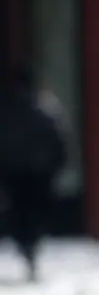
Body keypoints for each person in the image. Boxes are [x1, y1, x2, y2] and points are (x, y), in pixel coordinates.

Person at [0, 68, 67, 283]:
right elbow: (60, 140)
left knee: (19, 214)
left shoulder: (7, 110)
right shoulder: (46, 109)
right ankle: (31, 247)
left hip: (14, 174)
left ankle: (26, 246)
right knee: (36, 214)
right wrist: (57, 165)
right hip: (40, 174)